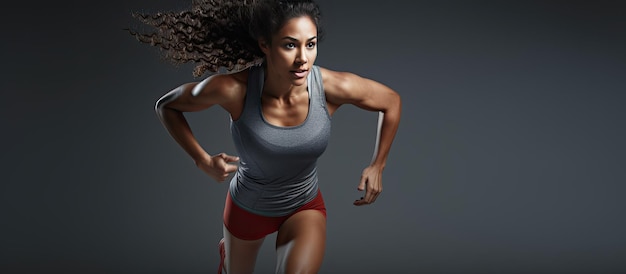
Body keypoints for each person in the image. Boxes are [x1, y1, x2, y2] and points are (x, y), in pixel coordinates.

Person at [128, 0, 401, 273]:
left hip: (303, 205)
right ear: (265, 45)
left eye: (311, 44)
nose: (303, 58)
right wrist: (202, 160)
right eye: (290, 45)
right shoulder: (235, 90)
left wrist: (378, 164)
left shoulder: (330, 88)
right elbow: (167, 106)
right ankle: (228, 250)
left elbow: (391, 101)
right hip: (248, 208)